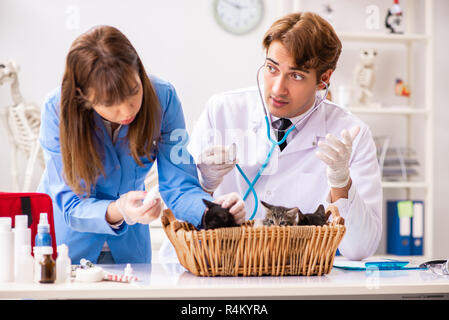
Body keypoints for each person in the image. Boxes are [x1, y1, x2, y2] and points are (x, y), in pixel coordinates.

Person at [37, 25, 245, 264]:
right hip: (66, 249)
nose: (127, 111)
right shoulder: (56, 111)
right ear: (82, 94)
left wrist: (210, 213)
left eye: (134, 92)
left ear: (139, 70)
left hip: (130, 251)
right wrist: (120, 209)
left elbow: (180, 182)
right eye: (109, 103)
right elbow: (71, 203)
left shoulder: (164, 99)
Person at [189, 12, 382, 261]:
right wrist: (205, 183)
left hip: (298, 281)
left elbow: (360, 249)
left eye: (296, 75)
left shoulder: (352, 133)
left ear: (324, 79)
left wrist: (341, 183)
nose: (278, 88)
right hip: (216, 268)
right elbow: (177, 209)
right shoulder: (222, 111)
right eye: (272, 68)